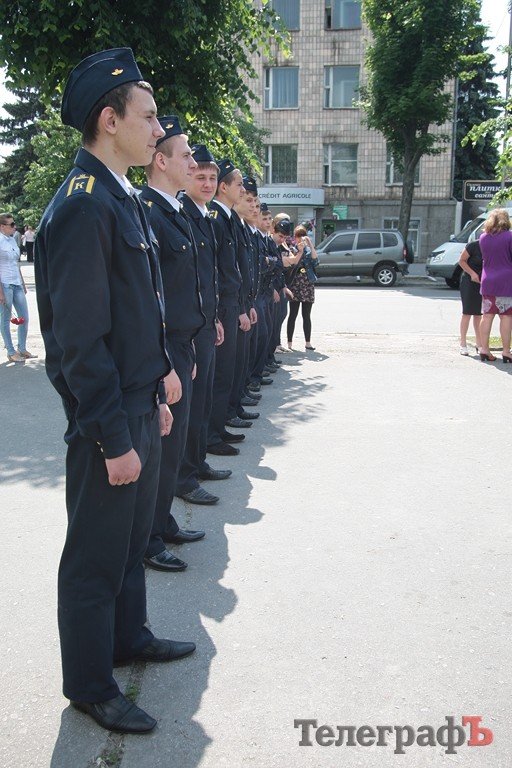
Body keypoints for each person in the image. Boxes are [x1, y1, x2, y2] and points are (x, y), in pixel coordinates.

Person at [35, 48, 195, 735]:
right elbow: (79, 343)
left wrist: (156, 394)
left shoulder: (120, 197)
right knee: (96, 558)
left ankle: (130, 638)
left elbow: (139, 311)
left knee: (130, 545)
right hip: (110, 419)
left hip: (138, 404)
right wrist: (111, 435)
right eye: (149, 115)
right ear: (110, 119)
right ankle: (91, 684)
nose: (159, 129)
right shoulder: (82, 207)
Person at [140, 116, 207, 572]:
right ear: (161, 161)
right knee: (160, 451)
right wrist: (164, 360)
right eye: (184, 155)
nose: (192, 161)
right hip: (163, 349)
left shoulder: (173, 210)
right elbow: (152, 297)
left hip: (182, 344)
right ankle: (147, 538)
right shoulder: (150, 210)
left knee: (173, 444)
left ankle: (161, 521)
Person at [175, 144, 232, 505]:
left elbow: (208, 276)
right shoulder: (182, 213)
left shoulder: (206, 216)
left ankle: (196, 464)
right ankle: (184, 476)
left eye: (213, 178)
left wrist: (213, 319)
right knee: (189, 409)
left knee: (203, 400)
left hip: (206, 323)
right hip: (188, 329)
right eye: (201, 176)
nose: (208, 183)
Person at [207, 159, 246, 456]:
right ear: (225, 187)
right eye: (239, 184)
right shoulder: (216, 219)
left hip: (232, 305)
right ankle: (210, 436)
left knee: (225, 372)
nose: (243, 190)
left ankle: (217, 428)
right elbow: (216, 271)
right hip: (222, 308)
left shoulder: (226, 218)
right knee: (218, 375)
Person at [0, 212, 37, 362]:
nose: (15, 227)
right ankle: (10, 351)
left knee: (24, 318)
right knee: (5, 319)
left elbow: (16, 263)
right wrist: (0, 292)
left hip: (16, 283)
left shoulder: (12, 240)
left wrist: (22, 283)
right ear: (2, 226)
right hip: (5, 284)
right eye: (11, 225)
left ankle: (22, 349)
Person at [477, 208, 512, 363]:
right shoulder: (510, 237)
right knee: (506, 316)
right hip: (506, 280)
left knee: (487, 315)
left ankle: (484, 349)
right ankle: (506, 352)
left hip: (488, 280)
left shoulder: (483, 237)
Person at [286, 224, 319, 350]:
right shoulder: (292, 249)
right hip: (295, 284)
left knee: (306, 315)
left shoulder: (309, 250)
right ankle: (289, 342)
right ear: (295, 237)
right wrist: (299, 250)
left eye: (302, 235)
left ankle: (308, 342)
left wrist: (310, 245)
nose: (300, 238)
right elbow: (291, 264)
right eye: (298, 236)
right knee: (293, 314)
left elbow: (316, 262)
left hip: (307, 284)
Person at [458, 239, 483, 355]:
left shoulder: (490, 246)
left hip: (482, 282)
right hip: (469, 280)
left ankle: (479, 343)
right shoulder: (474, 245)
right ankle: (463, 343)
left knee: (478, 314)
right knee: (467, 312)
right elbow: (461, 261)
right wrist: (472, 273)